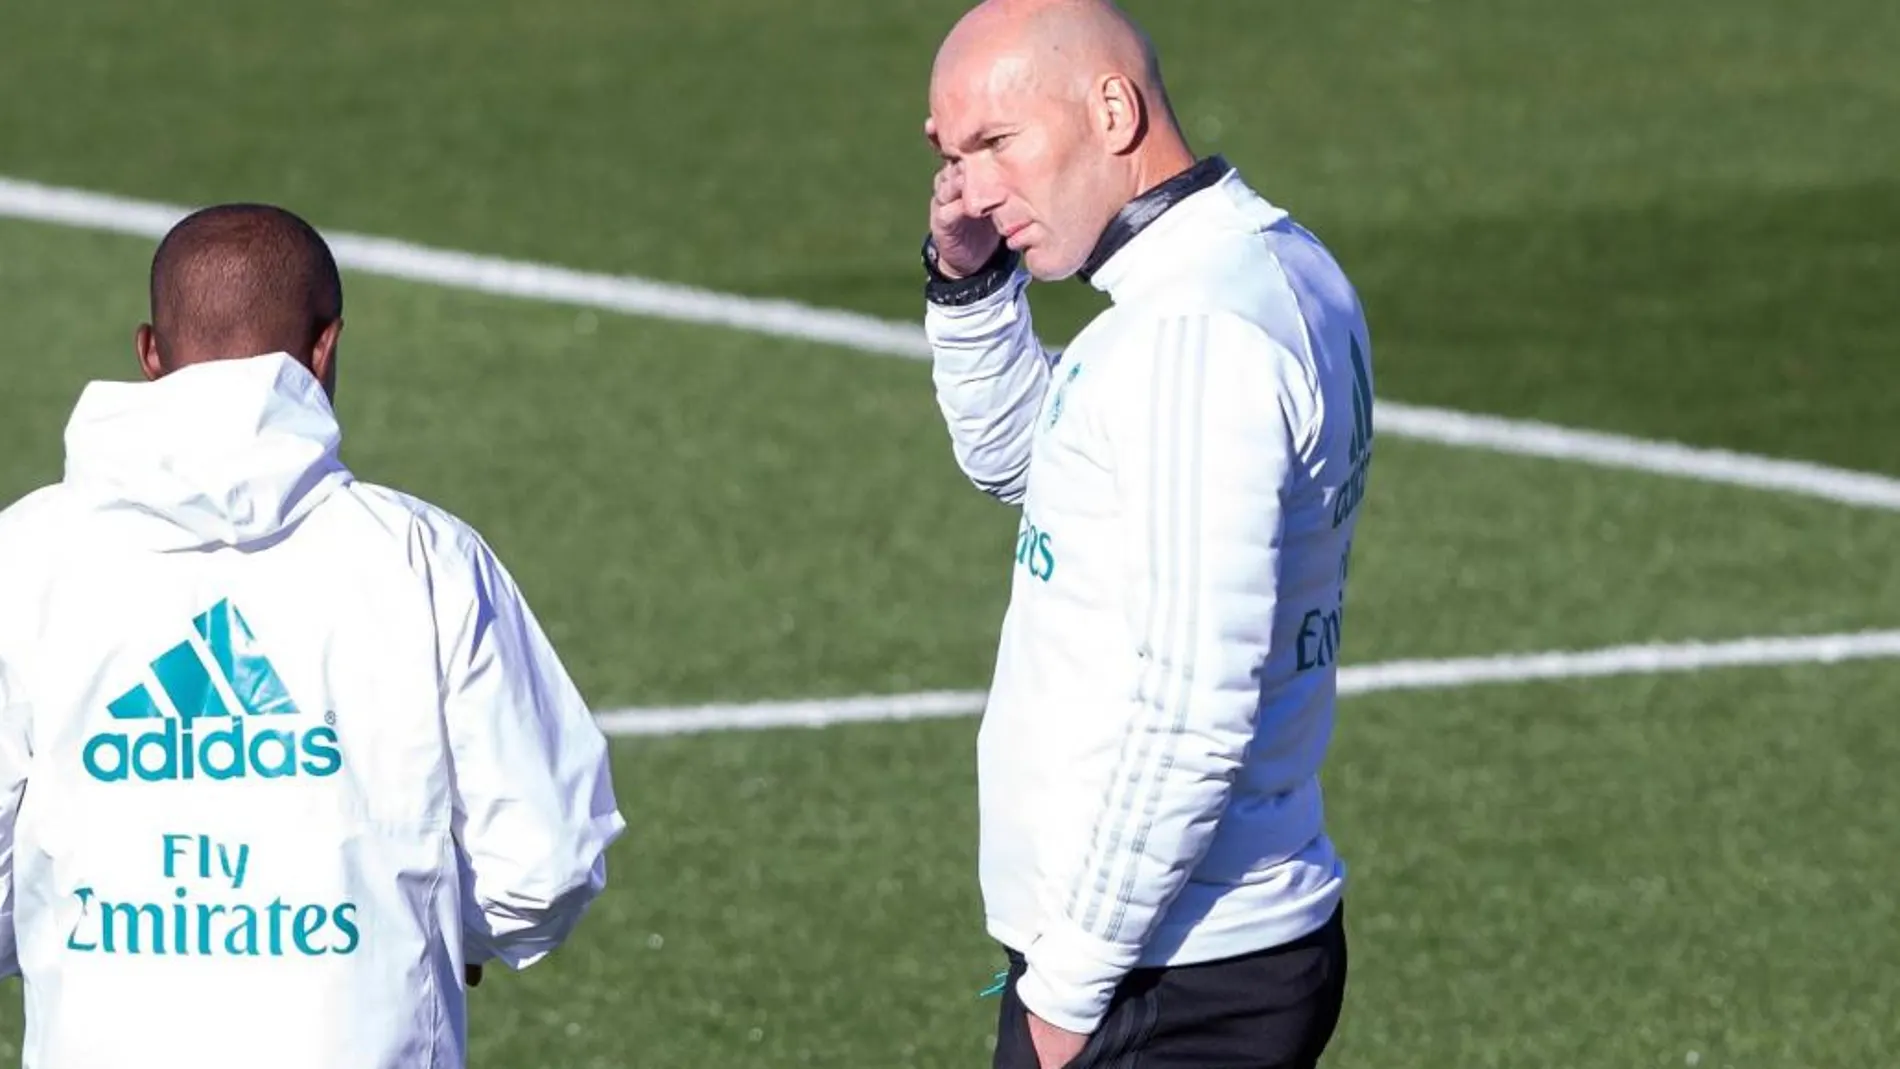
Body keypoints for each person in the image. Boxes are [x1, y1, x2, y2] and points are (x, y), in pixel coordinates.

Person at [0, 203, 625, 1068]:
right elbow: (542, 862)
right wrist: (450, 930)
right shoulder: (424, 555)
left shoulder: (25, 555)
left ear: (150, 354)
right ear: (325, 346)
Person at [921, 1, 1374, 1066]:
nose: (973, 186)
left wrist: (1069, 992)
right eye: (952, 156)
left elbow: (1191, 704)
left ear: (1113, 108)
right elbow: (1035, 470)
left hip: (1163, 977)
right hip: (1187, 955)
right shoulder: (1268, 265)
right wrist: (970, 285)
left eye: (997, 142)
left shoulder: (1190, 338)